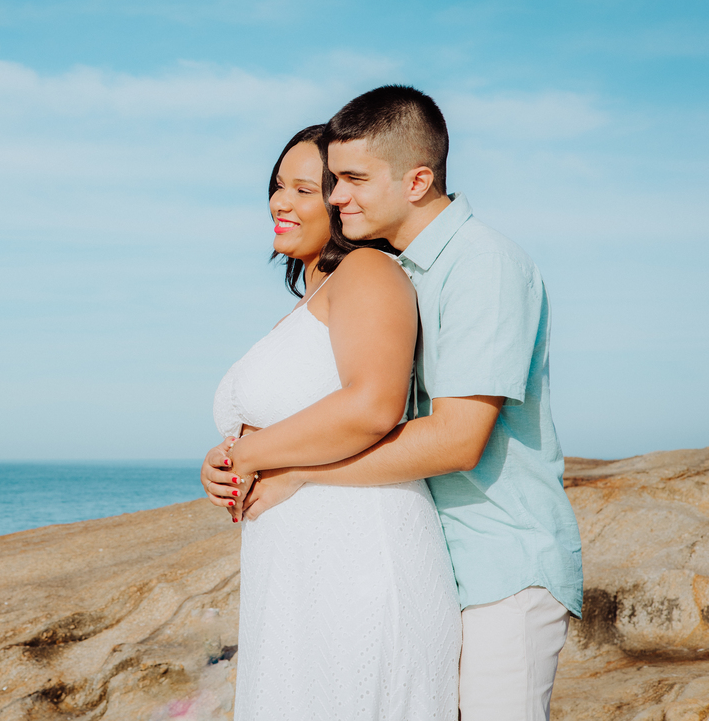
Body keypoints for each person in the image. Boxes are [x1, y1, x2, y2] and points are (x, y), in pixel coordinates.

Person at [206, 86, 583, 721]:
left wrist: (288, 467)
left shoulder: (480, 264)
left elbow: (455, 439)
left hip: (499, 562)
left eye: (348, 179)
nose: (335, 196)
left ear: (417, 180)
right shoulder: (411, 271)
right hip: (443, 552)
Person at [204, 123, 461, 720]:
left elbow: (374, 404)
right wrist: (222, 461)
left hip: (358, 558)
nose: (278, 202)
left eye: (301, 188)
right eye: (275, 187)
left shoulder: (369, 272)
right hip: (299, 566)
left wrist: (248, 455)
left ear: (342, 200)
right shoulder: (311, 302)